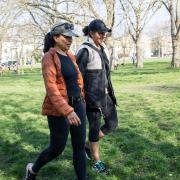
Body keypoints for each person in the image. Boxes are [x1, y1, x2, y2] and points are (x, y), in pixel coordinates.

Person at [25, 22, 87, 180]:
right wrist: (68, 111)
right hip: (58, 109)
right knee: (57, 148)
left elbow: (77, 81)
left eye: (71, 37)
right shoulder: (49, 58)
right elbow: (51, 89)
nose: (70, 40)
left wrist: (82, 100)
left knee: (79, 147)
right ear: (55, 37)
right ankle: (32, 170)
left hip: (78, 104)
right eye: (66, 37)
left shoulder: (71, 55)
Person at [76, 19, 118, 173]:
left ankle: (87, 145)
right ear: (91, 33)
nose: (103, 35)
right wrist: (83, 99)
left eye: (105, 33)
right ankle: (96, 161)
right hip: (92, 99)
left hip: (106, 96)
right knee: (94, 129)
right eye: (101, 33)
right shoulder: (85, 51)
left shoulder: (102, 48)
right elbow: (77, 77)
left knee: (112, 124)